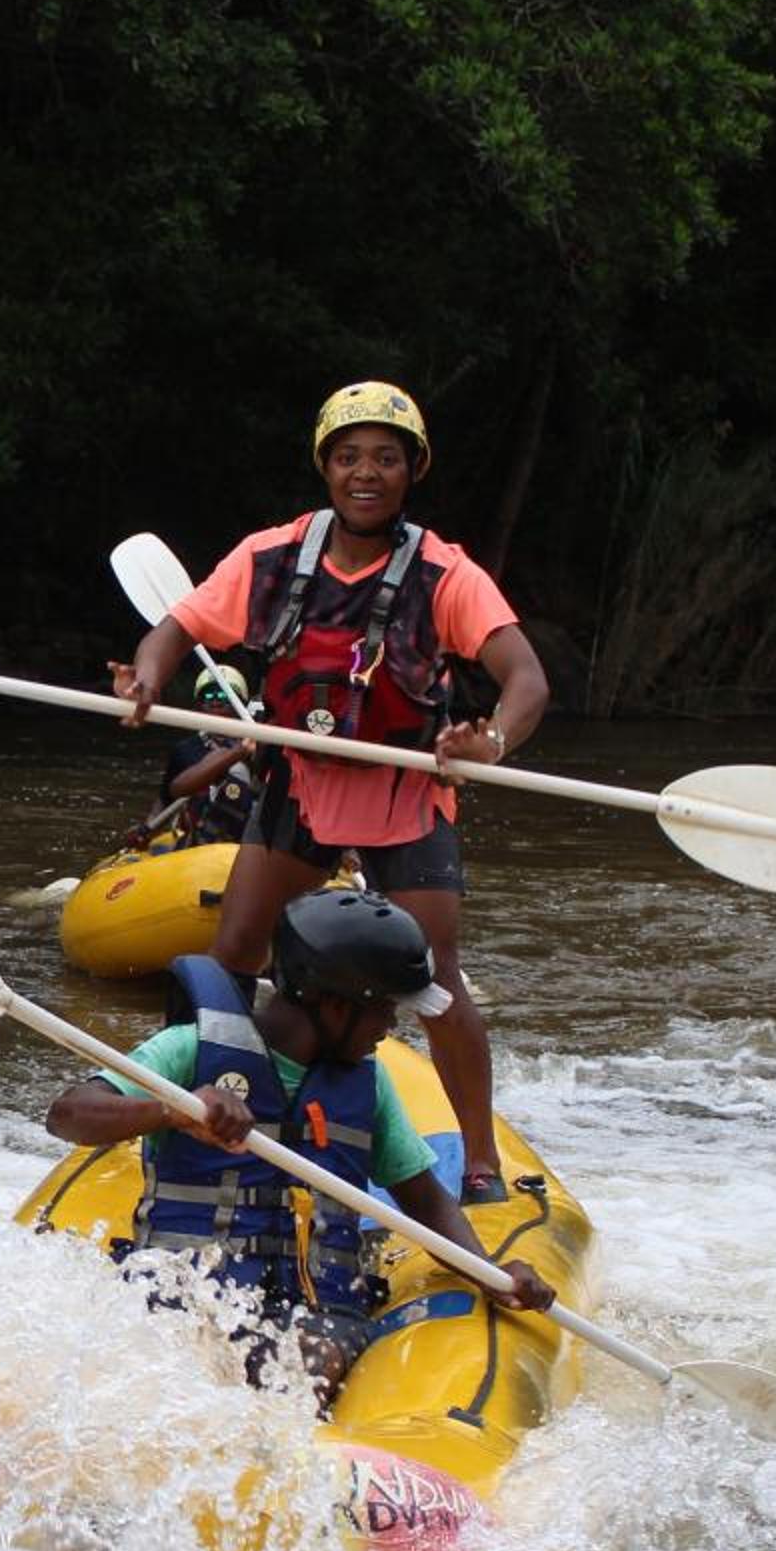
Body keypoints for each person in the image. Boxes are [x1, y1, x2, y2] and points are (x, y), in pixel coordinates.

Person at [113, 380, 548, 1204]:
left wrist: (491, 738)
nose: (366, 473)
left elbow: (524, 676)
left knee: (437, 975)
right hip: (300, 785)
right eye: (349, 457)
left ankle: (482, 1165)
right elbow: (177, 629)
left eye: (386, 458)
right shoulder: (270, 556)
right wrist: (147, 676)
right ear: (326, 466)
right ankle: (185, 1105)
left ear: (411, 470)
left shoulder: (447, 573)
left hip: (405, 790)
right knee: (232, 954)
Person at [45, 889, 552, 1401]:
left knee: (311, 1357)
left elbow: (423, 1199)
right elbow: (69, 1115)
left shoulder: (367, 1085)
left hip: (316, 1315)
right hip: (186, 1294)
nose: (391, 1027)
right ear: (335, 1006)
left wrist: (490, 1274)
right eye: (385, 1011)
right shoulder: (191, 1050)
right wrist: (170, 1111)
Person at [145, 666, 261, 846]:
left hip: (246, 833)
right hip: (201, 836)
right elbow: (168, 797)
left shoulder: (262, 742)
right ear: (199, 705)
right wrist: (147, 828)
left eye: (224, 696)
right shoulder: (185, 749)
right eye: (208, 696)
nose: (215, 702)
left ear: (241, 704)